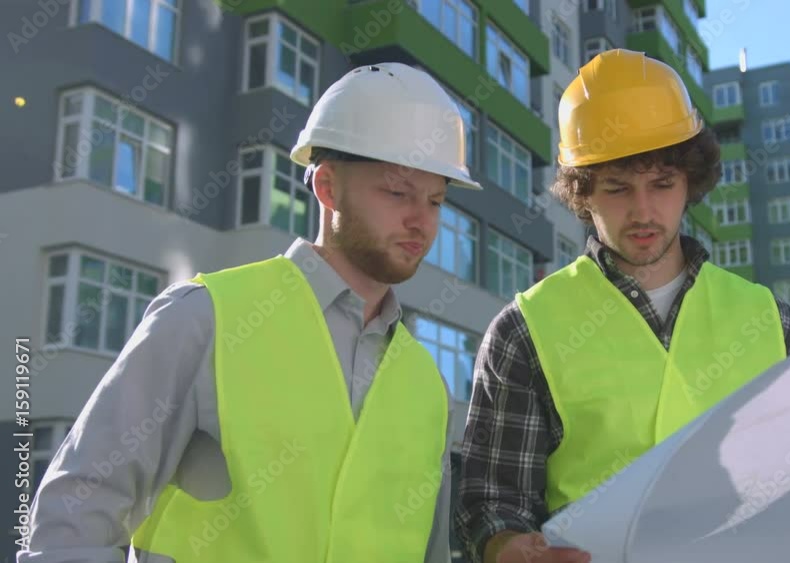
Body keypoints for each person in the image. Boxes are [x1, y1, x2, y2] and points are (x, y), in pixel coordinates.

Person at [453, 49, 790, 563]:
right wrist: (506, 546)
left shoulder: (767, 318)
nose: (643, 211)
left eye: (662, 183)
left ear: (690, 182)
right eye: (617, 188)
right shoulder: (527, 329)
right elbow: (490, 499)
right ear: (583, 193)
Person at [18, 62, 482, 563]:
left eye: (435, 201)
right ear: (327, 188)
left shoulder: (426, 385)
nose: (421, 221)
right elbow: (75, 516)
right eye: (397, 193)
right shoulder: (205, 318)